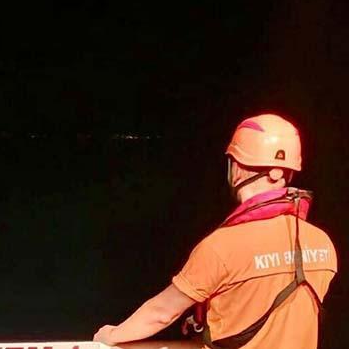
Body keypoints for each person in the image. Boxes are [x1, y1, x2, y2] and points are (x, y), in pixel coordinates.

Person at [93, 114, 337, 348]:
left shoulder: (222, 247)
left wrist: (111, 335)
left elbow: (162, 313)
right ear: (289, 171)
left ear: (237, 169)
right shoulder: (322, 243)